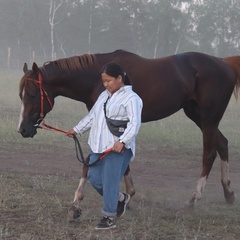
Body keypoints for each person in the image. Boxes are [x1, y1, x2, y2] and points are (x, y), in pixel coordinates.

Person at [66, 62, 143, 230]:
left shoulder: (132, 99)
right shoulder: (103, 96)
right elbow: (92, 116)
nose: (106, 84)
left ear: (119, 78)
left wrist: (122, 142)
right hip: (97, 146)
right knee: (94, 178)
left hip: (116, 149)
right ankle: (121, 199)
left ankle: (109, 218)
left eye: (109, 80)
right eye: (104, 81)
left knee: (109, 182)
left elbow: (135, 124)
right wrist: (77, 130)